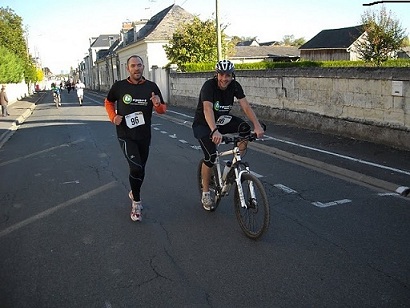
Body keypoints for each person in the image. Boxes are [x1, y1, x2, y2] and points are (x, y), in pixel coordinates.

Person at [192, 60, 265, 211]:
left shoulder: (235, 86)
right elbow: (207, 109)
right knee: (210, 157)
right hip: (204, 124)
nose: (225, 78)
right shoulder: (209, 86)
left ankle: (232, 165)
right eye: (221, 75)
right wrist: (214, 130)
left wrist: (257, 125)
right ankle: (206, 193)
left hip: (221, 121)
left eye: (228, 75)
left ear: (233, 75)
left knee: (244, 129)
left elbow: (245, 106)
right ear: (216, 74)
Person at [104, 55, 167, 222]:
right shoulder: (119, 86)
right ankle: (136, 203)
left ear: (143, 67)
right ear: (128, 68)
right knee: (136, 168)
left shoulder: (151, 87)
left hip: (144, 135)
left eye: (139, 65)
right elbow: (108, 102)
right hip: (125, 134)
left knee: (141, 169)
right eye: (133, 66)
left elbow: (162, 110)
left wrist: (157, 104)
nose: (136, 68)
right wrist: (113, 116)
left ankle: (134, 191)